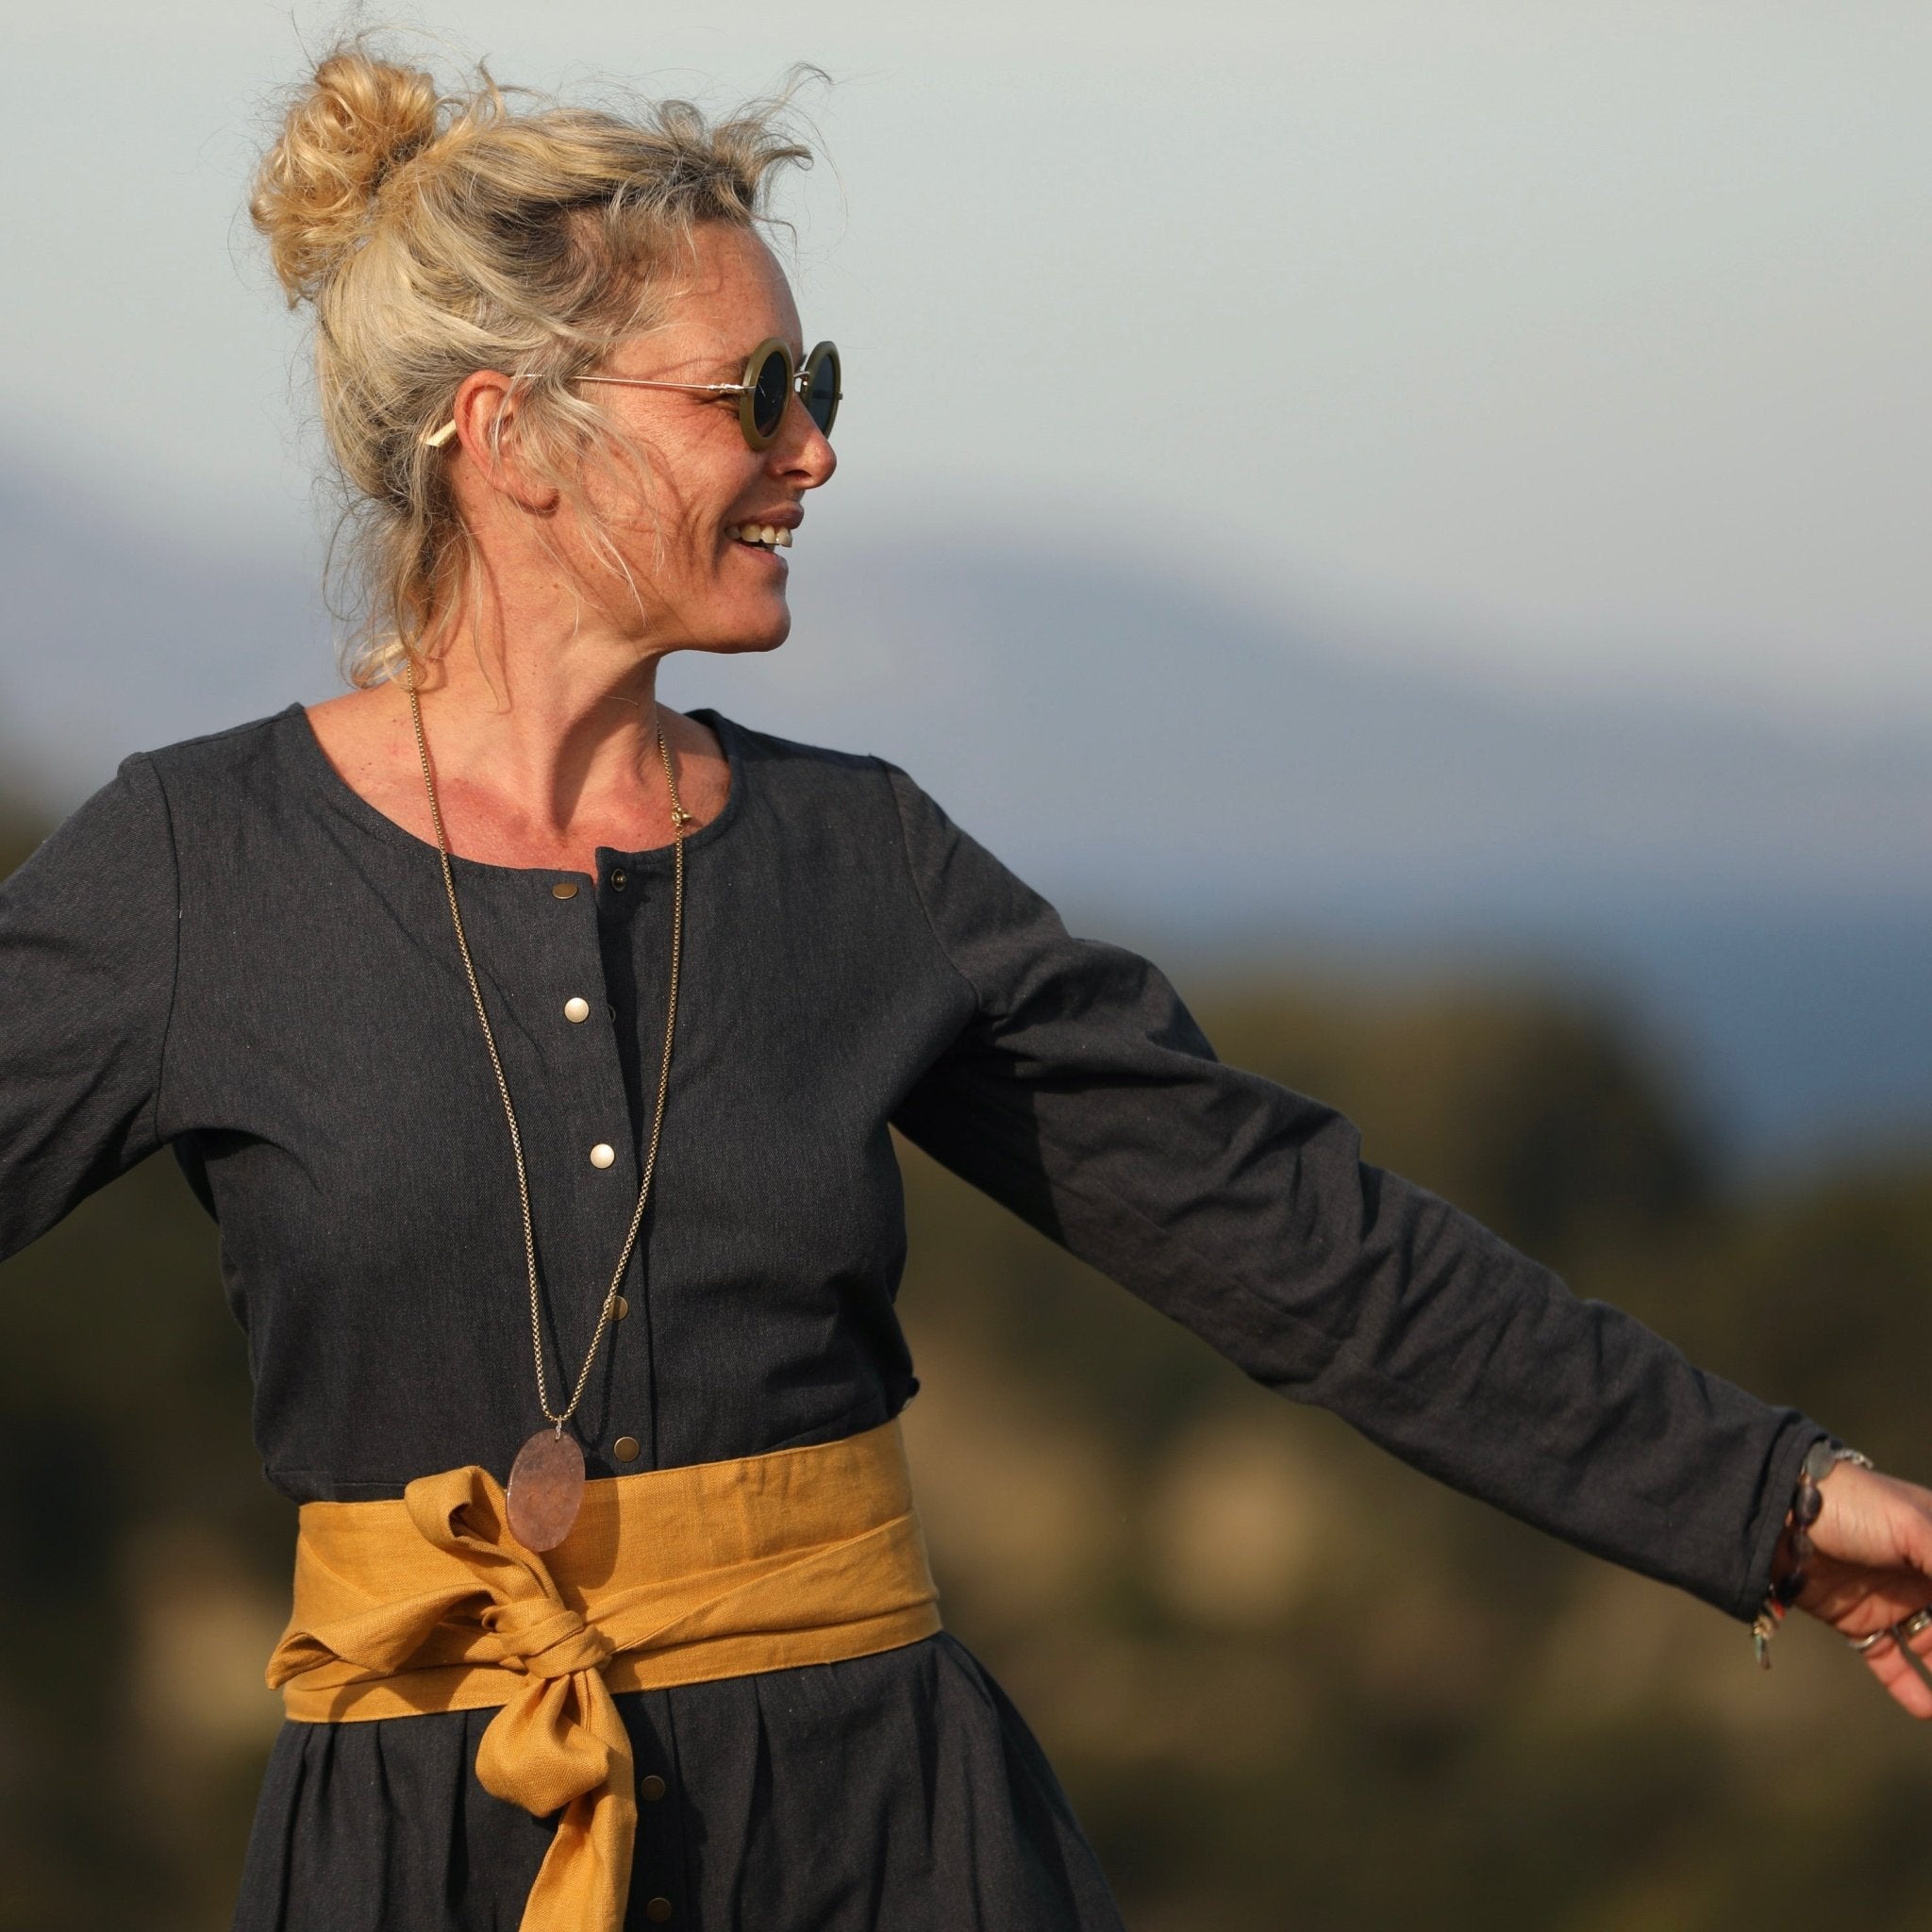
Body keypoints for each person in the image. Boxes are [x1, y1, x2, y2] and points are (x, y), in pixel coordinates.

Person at [3, 42, 1930, 1932]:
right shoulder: (193, 869)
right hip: (415, 1855)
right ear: (510, 439)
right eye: (758, 395)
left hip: (890, 1842)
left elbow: (1301, 1240)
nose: (815, 449)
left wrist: (1765, 1497)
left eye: (818, 386)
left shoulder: (864, 861)